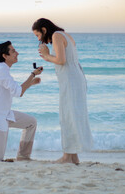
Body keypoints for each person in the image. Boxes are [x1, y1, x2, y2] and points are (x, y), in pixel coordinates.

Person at [32, 18, 93, 164]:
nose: (38, 39)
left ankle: (67, 156)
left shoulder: (56, 36)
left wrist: (46, 56)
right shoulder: (64, 35)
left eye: (37, 35)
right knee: (71, 116)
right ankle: (73, 156)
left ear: (44, 30)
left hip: (71, 80)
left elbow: (61, 60)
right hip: (75, 78)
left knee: (68, 116)